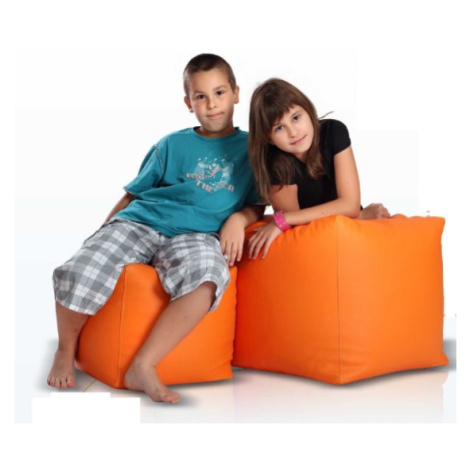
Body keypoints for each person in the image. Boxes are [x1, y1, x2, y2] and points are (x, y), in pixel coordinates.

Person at [47, 53, 264, 404]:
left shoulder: (253, 150)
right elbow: (133, 194)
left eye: (220, 93)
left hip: (199, 235)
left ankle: (143, 365)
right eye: (201, 96)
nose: (212, 104)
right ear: (188, 102)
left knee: (208, 278)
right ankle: (65, 349)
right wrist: (103, 231)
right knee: (82, 269)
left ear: (236, 94)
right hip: (142, 222)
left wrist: (239, 219)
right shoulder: (171, 145)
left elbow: (258, 202)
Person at [247, 78, 390, 259]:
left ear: (308, 110)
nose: (293, 132)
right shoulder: (274, 163)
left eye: (296, 118)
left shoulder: (333, 131)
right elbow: (298, 230)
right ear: (269, 138)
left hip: (352, 235)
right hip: (316, 245)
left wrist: (286, 219)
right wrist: (358, 217)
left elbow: (350, 205)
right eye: (280, 128)